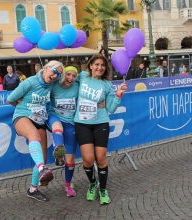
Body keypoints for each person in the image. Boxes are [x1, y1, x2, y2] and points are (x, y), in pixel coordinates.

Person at [7, 60, 64, 202]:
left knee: (43, 158)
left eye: (59, 75)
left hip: (40, 120)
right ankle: (43, 170)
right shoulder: (30, 82)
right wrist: (19, 103)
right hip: (23, 116)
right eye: (54, 71)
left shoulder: (52, 85)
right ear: (45, 68)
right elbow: (10, 99)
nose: (55, 76)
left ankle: (33, 190)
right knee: (34, 136)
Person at [74, 54, 127, 205]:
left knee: (101, 158)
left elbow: (110, 107)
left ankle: (103, 189)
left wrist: (118, 94)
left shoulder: (107, 84)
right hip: (82, 123)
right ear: (90, 65)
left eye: (102, 65)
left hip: (101, 123)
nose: (99, 67)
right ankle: (92, 184)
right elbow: (67, 81)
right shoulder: (82, 76)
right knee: (88, 159)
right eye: (96, 64)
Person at [46, 66, 79, 197]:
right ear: (63, 74)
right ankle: (59, 152)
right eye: (68, 74)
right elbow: (40, 88)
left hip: (71, 123)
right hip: (55, 117)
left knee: (70, 159)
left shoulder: (77, 86)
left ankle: (67, 184)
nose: (70, 78)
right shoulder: (54, 85)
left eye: (73, 75)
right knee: (57, 126)